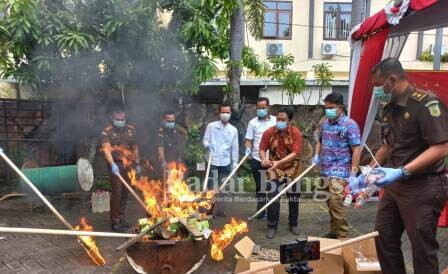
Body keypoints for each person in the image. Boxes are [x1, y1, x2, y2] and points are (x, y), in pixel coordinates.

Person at [356, 58, 448, 274]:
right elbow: (388, 146)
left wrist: (402, 170)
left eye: (378, 85)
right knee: (384, 237)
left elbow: (441, 147)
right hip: (395, 187)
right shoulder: (389, 109)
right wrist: (368, 170)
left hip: (423, 186)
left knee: (422, 249)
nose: (376, 91)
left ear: (392, 79)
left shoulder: (426, 104)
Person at [313, 93, 361, 239]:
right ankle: (334, 231)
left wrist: (353, 174)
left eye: (331, 108)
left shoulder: (350, 125)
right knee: (330, 202)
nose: (328, 110)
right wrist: (316, 155)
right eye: (326, 108)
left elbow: (356, 149)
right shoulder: (325, 123)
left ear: (340, 107)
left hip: (340, 171)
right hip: (326, 169)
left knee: (336, 203)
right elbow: (320, 141)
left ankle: (343, 237)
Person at [259, 108, 302, 239]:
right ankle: (272, 226)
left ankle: (293, 223)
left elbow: (296, 153)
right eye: (278, 119)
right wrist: (264, 159)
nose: (280, 121)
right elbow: (262, 148)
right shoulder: (269, 132)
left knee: (294, 197)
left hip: (293, 169)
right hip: (274, 169)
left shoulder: (296, 133)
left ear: (290, 121)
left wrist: (280, 162)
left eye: (283, 119)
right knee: (272, 197)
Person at [101, 106, 141, 232]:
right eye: (118, 119)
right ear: (113, 118)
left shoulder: (131, 130)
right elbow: (106, 150)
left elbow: (135, 147)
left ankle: (122, 218)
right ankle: (114, 221)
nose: (120, 121)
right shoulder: (107, 131)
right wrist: (112, 165)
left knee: (125, 192)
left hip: (128, 165)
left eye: (122, 119)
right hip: (115, 165)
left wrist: (137, 162)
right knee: (117, 192)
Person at [202, 103, 239, 216]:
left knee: (223, 188)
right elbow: (205, 140)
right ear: (219, 113)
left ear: (231, 114)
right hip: (212, 161)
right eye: (223, 112)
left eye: (227, 112)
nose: (225, 114)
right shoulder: (211, 126)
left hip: (225, 162)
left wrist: (235, 163)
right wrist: (208, 145)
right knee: (211, 186)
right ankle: (208, 209)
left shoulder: (233, 130)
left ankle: (221, 211)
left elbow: (235, 148)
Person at [245, 97, 276, 220]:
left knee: (274, 187)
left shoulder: (275, 121)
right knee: (260, 187)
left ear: (268, 107)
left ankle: (273, 213)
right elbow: (248, 140)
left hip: (274, 160)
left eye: (263, 108)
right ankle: (261, 212)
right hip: (258, 160)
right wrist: (248, 149)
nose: (261, 110)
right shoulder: (253, 123)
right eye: (259, 108)